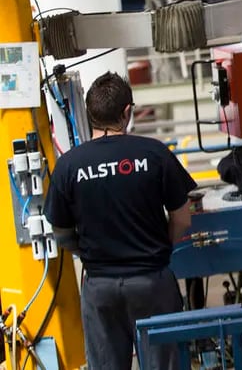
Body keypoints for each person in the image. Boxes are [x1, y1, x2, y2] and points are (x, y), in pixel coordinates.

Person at [44, 72, 196, 370]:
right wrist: (158, 248)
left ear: (90, 115)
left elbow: (61, 233)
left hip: (100, 287)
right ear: (127, 111)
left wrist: (91, 254)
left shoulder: (68, 166)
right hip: (152, 282)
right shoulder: (153, 153)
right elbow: (183, 220)